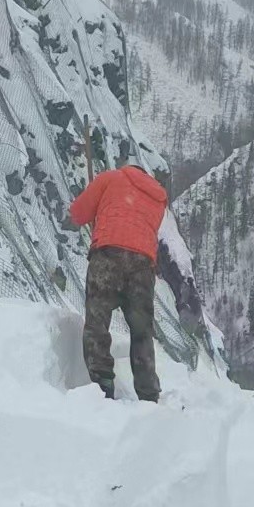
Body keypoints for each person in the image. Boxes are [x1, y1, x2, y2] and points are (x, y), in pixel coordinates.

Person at [68, 164, 168, 402]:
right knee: (141, 331)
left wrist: (97, 210)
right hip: (143, 265)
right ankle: (148, 394)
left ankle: (102, 385)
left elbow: (78, 214)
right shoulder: (158, 199)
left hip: (108, 255)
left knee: (97, 322)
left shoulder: (110, 178)